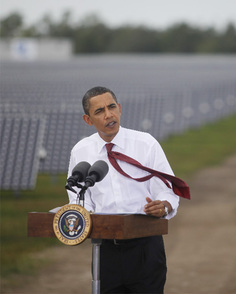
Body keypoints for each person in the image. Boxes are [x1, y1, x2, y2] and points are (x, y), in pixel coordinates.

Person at [66, 86, 181, 293]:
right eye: (99, 111)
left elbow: (166, 190)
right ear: (88, 120)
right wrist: (83, 214)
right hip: (104, 249)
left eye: (111, 107)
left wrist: (163, 206)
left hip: (145, 247)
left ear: (119, 108)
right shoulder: (81, 151)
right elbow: (79, 200)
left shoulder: (146, 144)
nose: (108, 115)